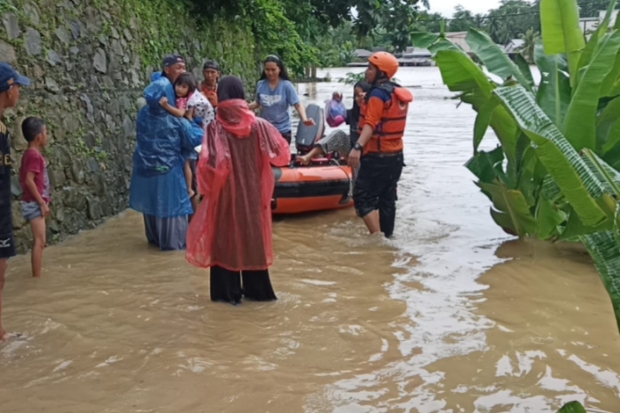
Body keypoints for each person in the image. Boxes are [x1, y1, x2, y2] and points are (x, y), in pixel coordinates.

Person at [186, 76, 290, 305]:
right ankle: (257, 291)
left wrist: (207, 191)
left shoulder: (215, 128)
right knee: (253, 240)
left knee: (225, 241)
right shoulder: (259, 126)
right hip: (253, 194)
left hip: (224, 196)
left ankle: (227, 295)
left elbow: (209, 166)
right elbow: (282, 154)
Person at [129, 54, 204, 251]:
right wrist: (194, 123)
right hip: (169, 169)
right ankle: (173, 245)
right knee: (172, 209)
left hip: (147, 168)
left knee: (153, 206)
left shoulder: (144, 114)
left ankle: (155, 239)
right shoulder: (174, 119)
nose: (182, 71)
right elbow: (195, 138)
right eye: (178, 67)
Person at [348, 52, 413, 239]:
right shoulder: (395, 92)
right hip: (396, 157)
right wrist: (364, 104)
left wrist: (357, 147)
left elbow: (371, 124)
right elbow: (382, 116)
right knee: (387, 199)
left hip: (377, 157)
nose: (366, 72)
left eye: (370, 68)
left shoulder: (377, 94)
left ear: (381, 72)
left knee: (362, 197)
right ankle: (389, 237)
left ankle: (377, 240)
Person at [0, 62, 30, 340]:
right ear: (8, 89)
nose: (20, 91)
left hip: (2, 208)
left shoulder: (2, 126)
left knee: (2, 271)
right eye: (17, 85)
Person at [160, 72, 214, 210]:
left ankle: (191, 190)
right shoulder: (189, 98)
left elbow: (180, 114)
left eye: (183, 87)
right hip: (199, 135)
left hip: (196, 137)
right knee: (193, 163)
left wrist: (166, 106)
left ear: (189, 89)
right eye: (178, 85)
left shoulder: (188, 101)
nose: (179, 89)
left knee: (188, 163)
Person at [297, 81, 371, 166]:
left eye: (359, 95)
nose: (357, 99)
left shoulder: (374, 115)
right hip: (352, 151)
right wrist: (336, 101)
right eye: (355, 96)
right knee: (339, 134)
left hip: (368, 153)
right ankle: (308, 156)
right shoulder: (352, 114)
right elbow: (335, 116)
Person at [249, 55, 314, 144]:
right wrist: (245, 106)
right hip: (265, 130)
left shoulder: (287, 86)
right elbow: (257, 103)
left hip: (283, 130)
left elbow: (297, 104)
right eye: (267, 70)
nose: (270, 73)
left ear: (279, 69)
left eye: (273, 70)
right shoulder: (260, 84)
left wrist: (305, 119)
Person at [19, 117, 50, 279]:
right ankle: (36, 278)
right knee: (39, 241)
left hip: (33, 202)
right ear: (39, 137)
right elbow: (29, 180)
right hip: (34, 203)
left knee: (41, 241)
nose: (47, 135)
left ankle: (37, 274)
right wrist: (42, 203)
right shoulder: (34, 156)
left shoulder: (29, 154)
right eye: (45, 133)